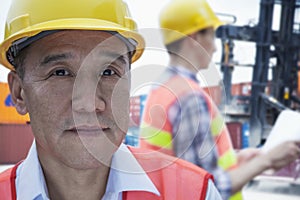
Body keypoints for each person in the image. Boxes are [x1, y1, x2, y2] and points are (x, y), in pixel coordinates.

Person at [0, 0, 223, 199]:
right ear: (19, 92)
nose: (89, 104)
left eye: (108, 72)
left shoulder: (194, 193)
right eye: (60, 72)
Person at [139, 0, 300, 199]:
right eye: (213, 36)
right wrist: (266, 161)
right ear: (194, 37)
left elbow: (186, 167)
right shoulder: (190, 99)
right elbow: (201, 189)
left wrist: (238, 160)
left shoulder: (163, 88)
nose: (215, 48)